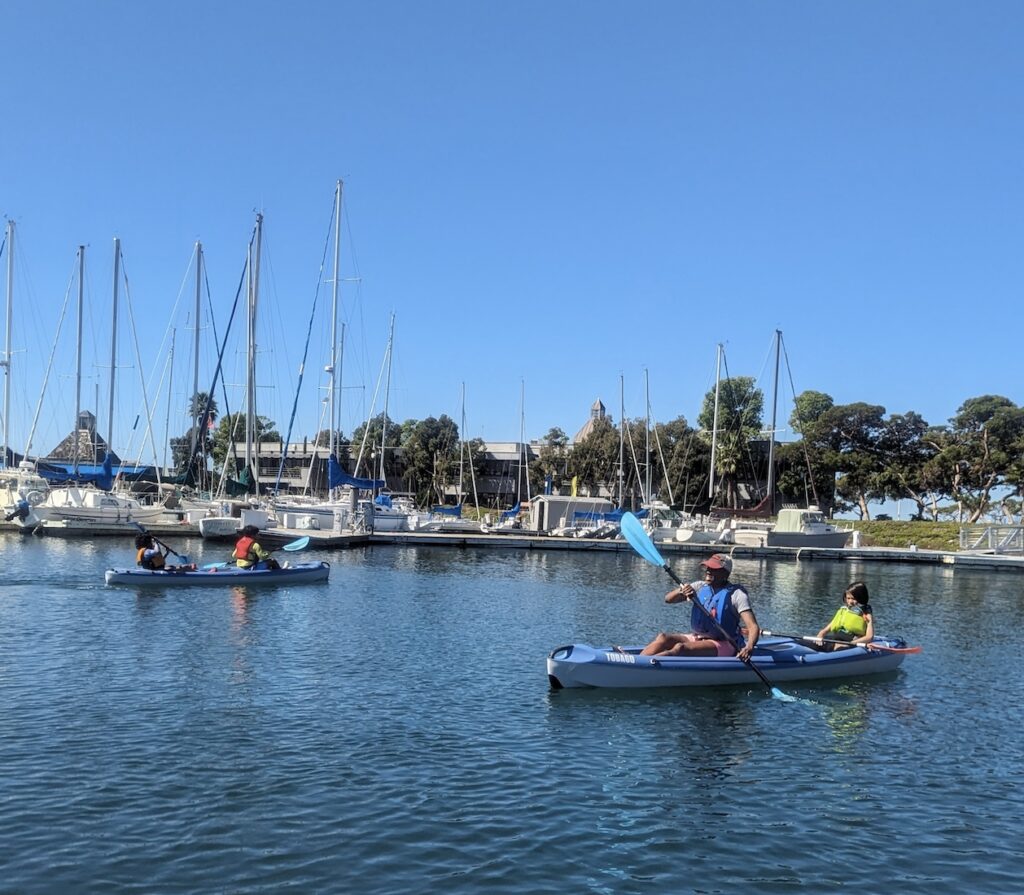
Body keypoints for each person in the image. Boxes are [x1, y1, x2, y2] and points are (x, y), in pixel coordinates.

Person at [639, 553, 761, 660]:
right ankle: (638, 660)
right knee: (663, 638)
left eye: (713, 568)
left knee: (680, 648)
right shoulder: (699, 586)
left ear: (725, 573)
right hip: (698, 638)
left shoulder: (737, 595)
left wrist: (749, 647)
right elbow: (668, 599)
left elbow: (753, 626)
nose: (708, 570)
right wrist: (681, 591)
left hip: (724, 644)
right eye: (708, 567)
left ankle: (645, 666)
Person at [814, 581, 874, 650]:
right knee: (814, 643)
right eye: (848, 598)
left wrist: (851, 644)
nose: (850, 601)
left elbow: (869, 637)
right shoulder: (845, 610)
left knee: (838, 648)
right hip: (836, 639)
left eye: (853, 598)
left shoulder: (866, 614)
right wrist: (821, 634)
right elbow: (829, 627)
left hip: (851, 641)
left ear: (861, 598)